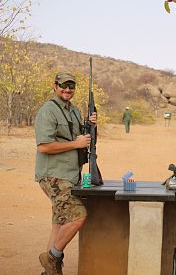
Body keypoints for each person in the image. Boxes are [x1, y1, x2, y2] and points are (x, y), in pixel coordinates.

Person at [35, 71, 97, 275]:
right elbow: (44, 146)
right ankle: (52, 257)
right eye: (63, 85)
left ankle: (49, 272)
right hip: (54, 175)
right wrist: (75, 143)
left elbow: (85, 140)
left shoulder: (75, 111)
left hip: (70, 174)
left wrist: (91, 126)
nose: (67, 89)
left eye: (71, 86)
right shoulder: (48, 111)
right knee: (78, 216)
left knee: (59, 222)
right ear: (55, 86)